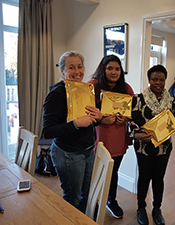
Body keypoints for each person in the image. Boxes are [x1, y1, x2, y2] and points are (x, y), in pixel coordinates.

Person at [42, 51, 103, 213]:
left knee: (87, 194)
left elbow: (89, 120)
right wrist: (75, 124)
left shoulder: (85, 90)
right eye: (71, 68)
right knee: (72, 198)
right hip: (68, 154)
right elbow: (47, 131)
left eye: (80, 67)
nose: (77, 72)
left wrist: (99, 117)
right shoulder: (56, 94)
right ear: (62, 71)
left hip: (88, 150)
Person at [130, 65, 175, 225]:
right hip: (144, 147)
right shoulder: (138, 99)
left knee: (159, 178)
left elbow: (174, 120)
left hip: (164, 147)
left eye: (161, 79)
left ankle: (157, 208)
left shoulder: (171, 100)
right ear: (149, 80)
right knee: (144, 177)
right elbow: (132, 121)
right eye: (155, 79)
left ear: (165, 80)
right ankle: (141, 207)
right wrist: (137, 134)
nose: (158, 83)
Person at [88, 55, 134, 219]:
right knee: (94, 173)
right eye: (110, 68)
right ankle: (93, 202)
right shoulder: (92, 86)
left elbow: (131, 112)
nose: (114, 72)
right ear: (103, 69)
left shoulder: (126, 88)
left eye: (117, 68)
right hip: (98, 137)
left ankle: (110, 200)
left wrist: (125, 118)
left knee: (113, 172)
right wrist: (102, 119)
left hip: (118, 138)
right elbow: (83, 112)